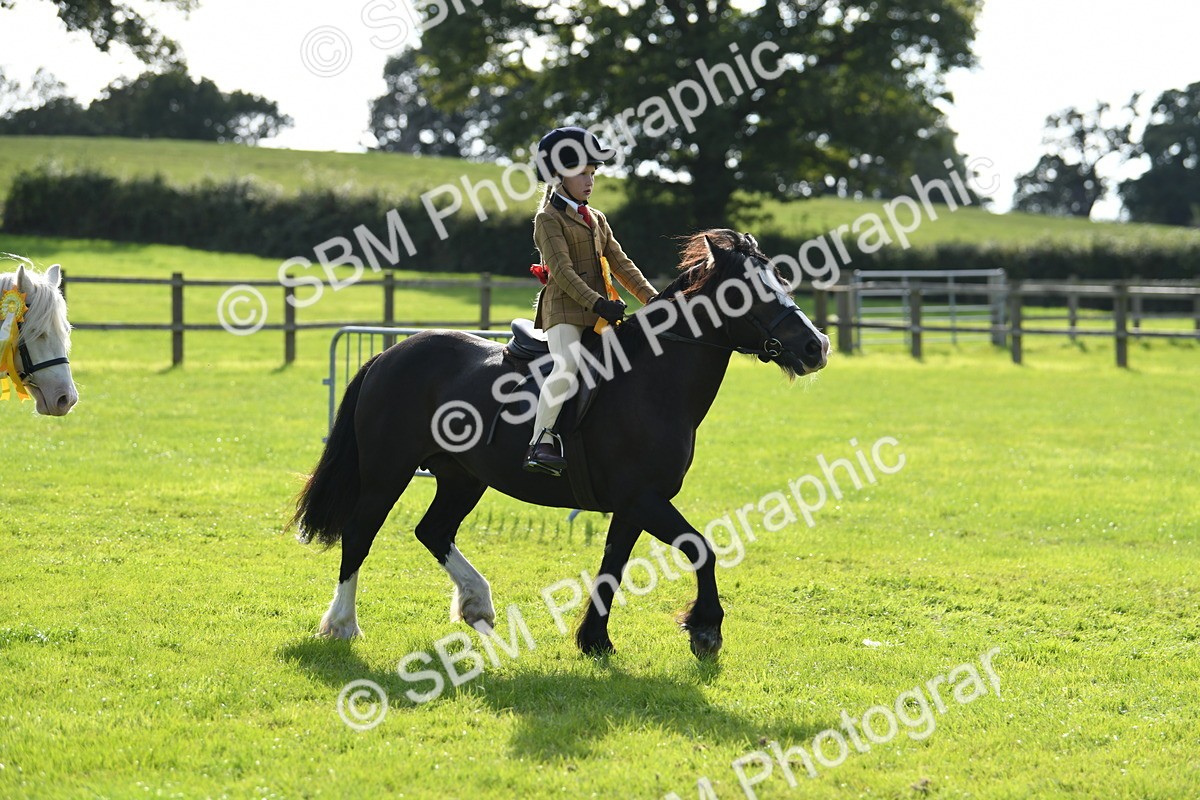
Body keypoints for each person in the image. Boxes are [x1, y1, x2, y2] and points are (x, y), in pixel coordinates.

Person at [523, 126, 658, 476]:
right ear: (558, 176)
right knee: (567, 364)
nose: (589, 180)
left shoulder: (596, 218)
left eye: (592, 173)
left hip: (600, 311)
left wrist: (654, 300)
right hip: (565, 311)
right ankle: (541, 440)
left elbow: (621, 264)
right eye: (581, 172)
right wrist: (598, 303)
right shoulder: (547, 219)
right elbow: (563, 273)